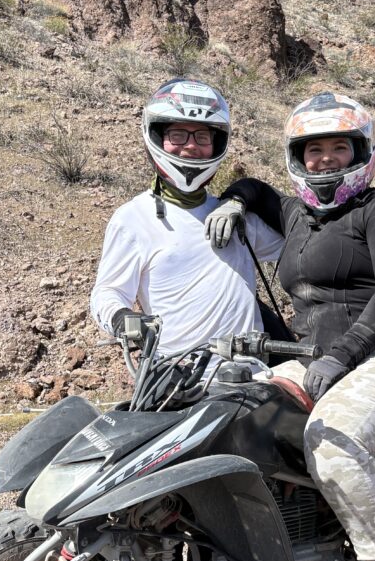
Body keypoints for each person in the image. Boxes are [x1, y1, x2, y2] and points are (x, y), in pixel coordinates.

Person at [205, 91, 375, 561]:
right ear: (299, 157)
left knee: (332, 442)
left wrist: (343, 352)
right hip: (313, 363)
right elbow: (257, 189)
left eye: (340, 146)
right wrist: (235, 201)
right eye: (314, 150)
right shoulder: (296, 215)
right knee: (227, 418)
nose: (326, 158)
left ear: (362, 151)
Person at [90, 78, 284, 354]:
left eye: (202, 137)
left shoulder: (233, 216)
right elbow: (108, 292)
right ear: (157, 137)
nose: (191, 146)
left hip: (251, 374)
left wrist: (247, 194)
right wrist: (123, 319)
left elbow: (298, 243)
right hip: (178, 378)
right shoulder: (134, 219)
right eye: (178, 135)